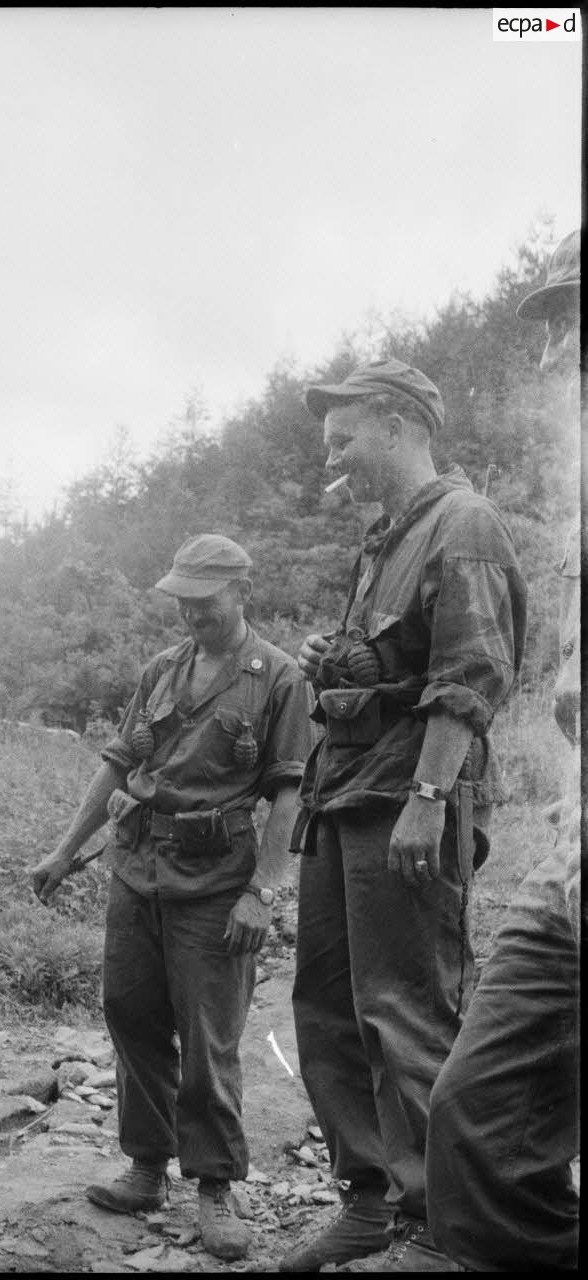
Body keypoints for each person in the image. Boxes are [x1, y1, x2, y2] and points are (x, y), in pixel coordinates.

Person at [281, 359, 527, 1272]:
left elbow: (468, 682)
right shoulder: (384, 540)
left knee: (406, 1012)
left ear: (396, 424)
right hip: (344, 797)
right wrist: (332, 660)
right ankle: (369, 1201)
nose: (333, 456)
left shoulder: (463, 526)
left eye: (344, 437)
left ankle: (438, 1226)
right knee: (328, 1004)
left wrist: (428, 801)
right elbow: (389, 669)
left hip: (405, 803)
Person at [29, 534, 311, 1263]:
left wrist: (263, 891)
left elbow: (288, 792)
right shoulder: (161, 670)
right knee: (131, 1014)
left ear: (240, 592)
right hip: (137, 868)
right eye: (182, 601)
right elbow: (119, 766)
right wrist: (64, 850)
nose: (191, 614)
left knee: (208, 1036)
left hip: (216, 882)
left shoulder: (278, 678)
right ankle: (147, 1167)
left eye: (205, 600)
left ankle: (215, 1186)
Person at [422, 229, 581, 1273]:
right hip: (575, 862)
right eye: (561, 323)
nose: (557, 351)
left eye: (574, 321)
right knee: (470, 1113)